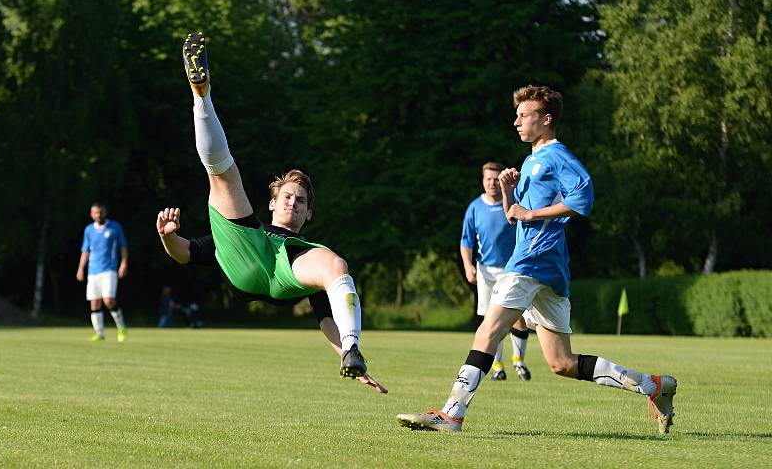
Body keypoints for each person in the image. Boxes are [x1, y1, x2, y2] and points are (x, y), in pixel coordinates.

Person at [397, 85, 677, 435]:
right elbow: (515, 216)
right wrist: (510, 191)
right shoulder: (531, 160)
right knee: (561, 363)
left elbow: (583, 198)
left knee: (488, 331)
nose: (516, 121)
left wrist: (533, 214)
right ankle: (654, 386)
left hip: (532, 260)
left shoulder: (557, 155)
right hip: (549, 267)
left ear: (545, 120)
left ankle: (451, 414)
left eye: (523, 115)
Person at [174, 31, 386, 393]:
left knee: (336, 266)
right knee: (224, 175)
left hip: (286, 270)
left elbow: (325, 318)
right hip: (249, 253)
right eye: (287, 196)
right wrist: (167, 236)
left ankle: (355, 351)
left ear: (308, 215)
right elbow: (184, 254)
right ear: (272, 202)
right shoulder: (244, 232)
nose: (293, 202)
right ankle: (201, 97)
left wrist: (345, 353)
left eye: (301, 201)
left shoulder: (306, 249)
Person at [461, 161, 532, 381]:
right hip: (485, 271)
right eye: (488, 179)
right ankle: (497, 366)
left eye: (495, 179)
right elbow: (466, 242)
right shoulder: (474, 207)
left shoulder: (512, 204)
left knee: (518, 316)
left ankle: (519, 361)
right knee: (490, 319)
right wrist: (468, 265)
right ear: (482, 181)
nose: (491, 183)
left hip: (512, 269)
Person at [76, 202, 128, 342]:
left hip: (109, 270)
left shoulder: (115, 227)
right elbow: (85, 251)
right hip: (93, 271)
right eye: (96, 213)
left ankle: (121, 327)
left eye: (101, 212)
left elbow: (123, 246)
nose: (99, 215)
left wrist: (123, 263)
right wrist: (81, 268)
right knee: (94, 303)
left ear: (105, 212)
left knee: (108, 300)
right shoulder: (89, 230)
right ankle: (99, 333)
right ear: (92, 214)